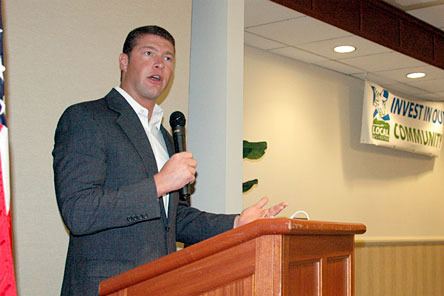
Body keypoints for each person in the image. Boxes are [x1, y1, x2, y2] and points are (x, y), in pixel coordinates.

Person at [53, 25, 287, 296]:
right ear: (124, 61)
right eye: (148, 53)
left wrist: (236, 224)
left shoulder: (161, 135)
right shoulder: (86, 118)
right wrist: (159, 183)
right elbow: (79, 212)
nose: (159, 64)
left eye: (168, 58)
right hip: (106, 287)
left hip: (160, 284)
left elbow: (174, 218)